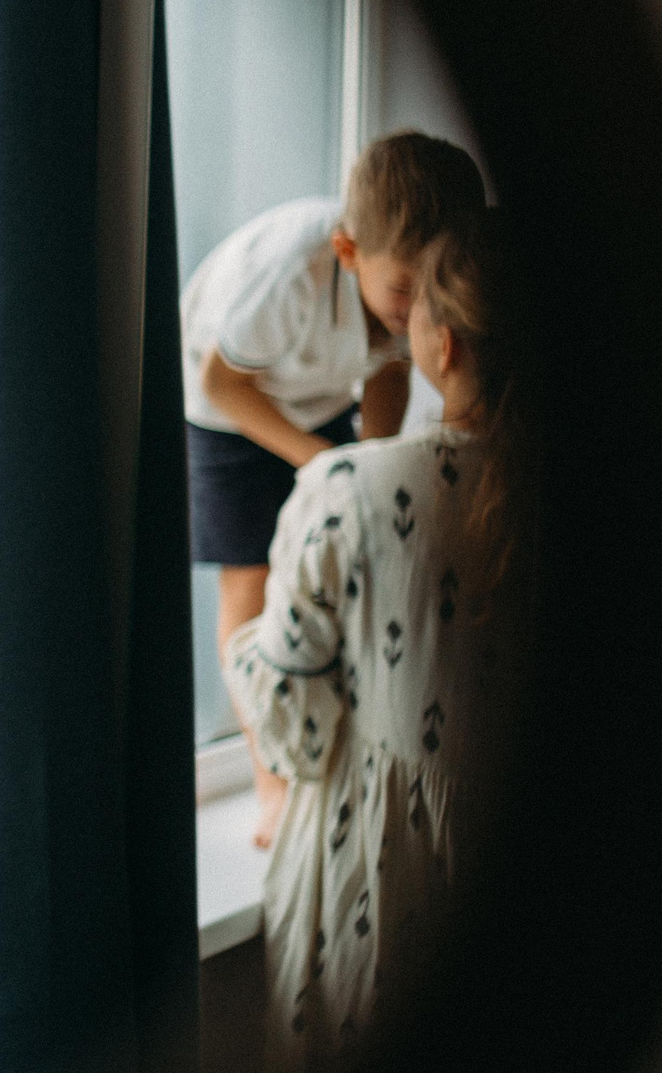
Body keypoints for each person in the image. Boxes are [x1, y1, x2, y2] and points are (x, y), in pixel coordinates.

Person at [222, 210, 535, 1073]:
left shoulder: (350, 491)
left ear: (442, 345)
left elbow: (297, 722)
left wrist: (245, 649)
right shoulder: (590, 496)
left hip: (379, 880)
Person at [183, 131, 487, 844]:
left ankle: (333, 729)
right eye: (405, 291)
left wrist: (372, 470)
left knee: (343, 557)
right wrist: (322, 463)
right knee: (249, 581)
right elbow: (221, 383)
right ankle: (270, 781)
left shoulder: (406, 305)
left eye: (431, 296)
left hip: (316, 393)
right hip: (229, 405)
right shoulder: (288, 275)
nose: (416, 310)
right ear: (348, 253)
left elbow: (388, 369)